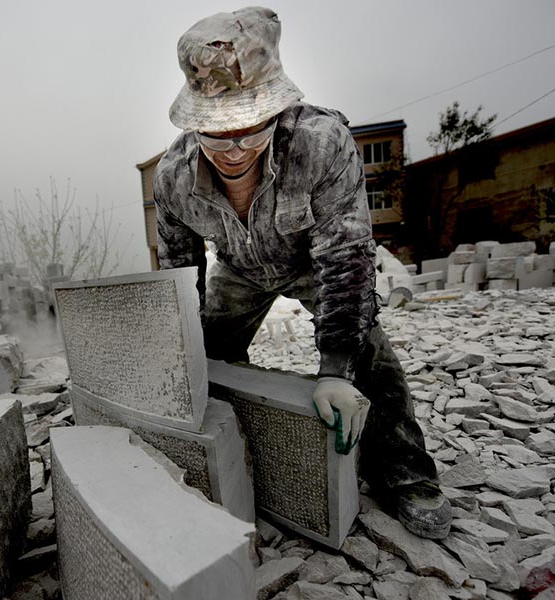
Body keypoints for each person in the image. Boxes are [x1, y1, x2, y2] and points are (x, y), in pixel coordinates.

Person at [153, 6, 451, 539]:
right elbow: (179, 271)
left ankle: (405, 472)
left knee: (370, 355)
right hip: (239, 269)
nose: (234, 149)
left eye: (250, 129)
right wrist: (181, 347)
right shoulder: (173, 178)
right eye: (217, 134)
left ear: (275, 110)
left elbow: (346, 257)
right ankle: (241, 449)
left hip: (311, 260)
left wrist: (334, 368)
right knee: (207, 356)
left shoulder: (321, 143)